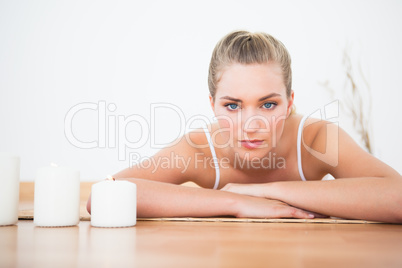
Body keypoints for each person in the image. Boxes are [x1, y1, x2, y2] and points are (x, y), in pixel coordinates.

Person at [87, 30, 402, 223]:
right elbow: (102, 196)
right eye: (232, 106)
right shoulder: (198, 149)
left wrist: (267, 191)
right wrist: (235, 201)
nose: (250, 125)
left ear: (290, 102)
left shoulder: (317, 138)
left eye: (268, 105)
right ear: (212, 105)